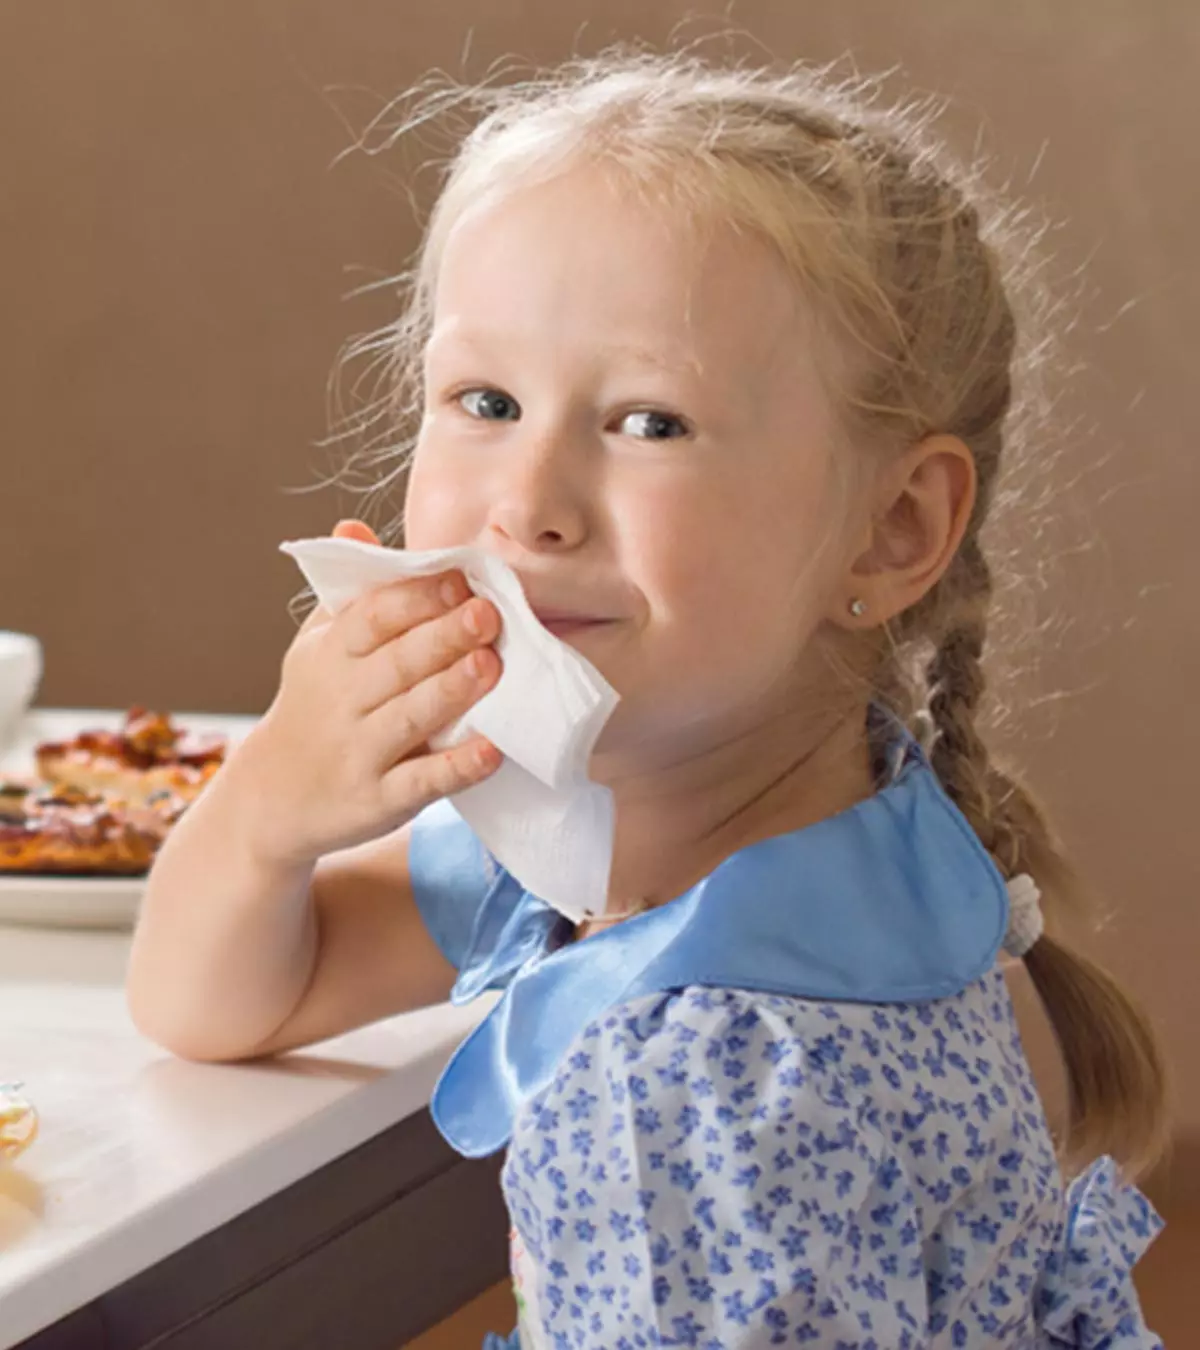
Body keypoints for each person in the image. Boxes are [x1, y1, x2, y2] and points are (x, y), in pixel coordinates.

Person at [128, 52, 1169, 1348]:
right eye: (487, 401)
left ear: (893, 529)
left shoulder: (713, 1083)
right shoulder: (721, 844)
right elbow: (219, 1004)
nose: (528, 503)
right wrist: (273, 807)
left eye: (649, 422)